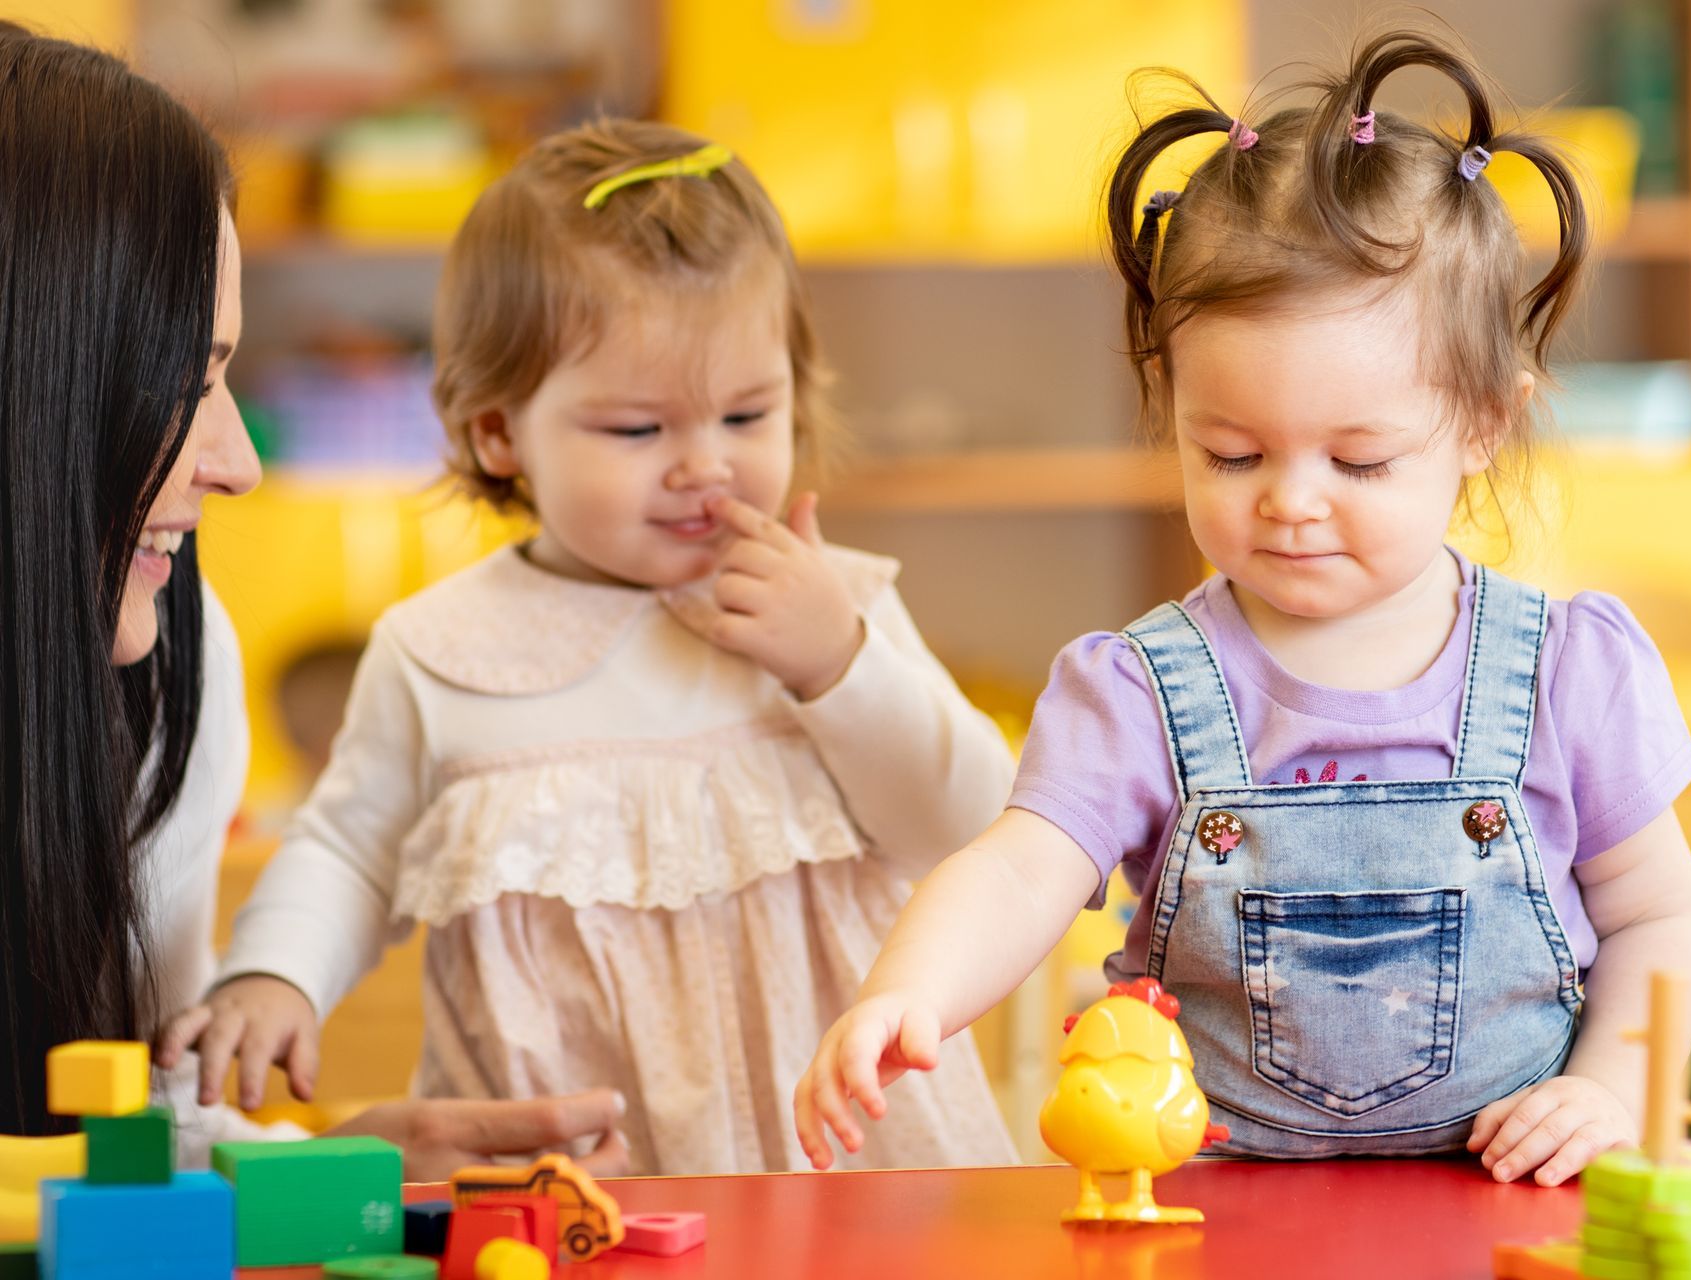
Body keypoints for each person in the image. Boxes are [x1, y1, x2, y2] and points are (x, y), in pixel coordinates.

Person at [795, 30, 1691, 1189]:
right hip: (1218, 1207)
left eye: (1359, 460)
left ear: (1485, 421)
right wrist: (905, 991)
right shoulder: (1137, 690)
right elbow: (1019, 871)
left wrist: (1610, 1089)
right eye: (1231, 453)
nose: (1290, 501)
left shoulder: (1565, 670)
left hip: (1506, 1198)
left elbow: (1658, 922)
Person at [163, 119, 1019, 1175]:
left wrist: (837, 663)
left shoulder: (832, 608)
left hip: (835, 1165)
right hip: (562, 1169)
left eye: (748, 413)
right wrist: (275, 974)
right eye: (637, 430)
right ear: (497, 432)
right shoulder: (442, 651)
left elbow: (982, 827)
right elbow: (347, 850)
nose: (705, 466)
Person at [0, 24, 626, 1178]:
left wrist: (323, 1167)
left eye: (226, 373)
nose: (239, 460)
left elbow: (115, 1141)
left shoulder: (176, 665)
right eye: (181, 381)